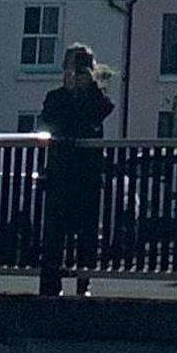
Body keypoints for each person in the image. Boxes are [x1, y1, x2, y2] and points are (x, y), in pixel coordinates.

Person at [38, 49, 114, 298]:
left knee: (87, 233)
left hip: (88, 175)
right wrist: (70, 92)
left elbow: (102, 111)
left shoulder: (96, 98)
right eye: (72, 68)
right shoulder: (55, 98)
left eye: (83, 69)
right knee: (54, 233)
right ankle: (51, 286)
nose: (76, 74)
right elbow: (48, 121)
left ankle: (84, 283)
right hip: (61, 172)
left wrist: (88, 88)